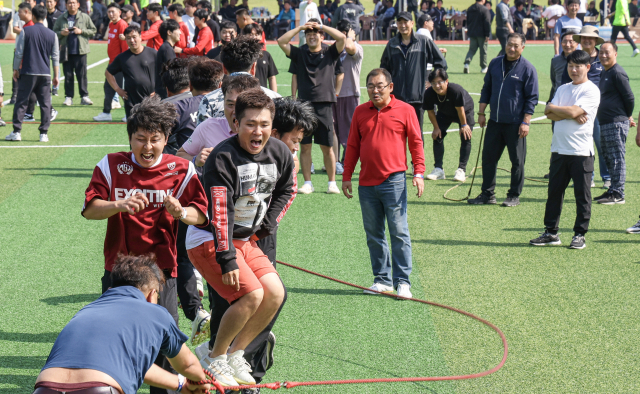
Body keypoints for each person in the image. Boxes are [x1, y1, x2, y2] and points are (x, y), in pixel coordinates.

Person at [82, 96, 209, 394]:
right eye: (140, 139)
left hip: (162, 272)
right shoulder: (112, 164)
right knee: (114, 341)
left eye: (155, 139)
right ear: (130, 138)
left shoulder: (181, 169)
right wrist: (119, 204)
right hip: (119, 272)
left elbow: (201, 215)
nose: (147, 147)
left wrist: (181, 213)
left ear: (166, 139)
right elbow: (90, 210)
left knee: (165, 347)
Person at [186, 89, 293, 388]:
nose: (257, 131)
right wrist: (227, 258)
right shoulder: (223, 156)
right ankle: (213, 356)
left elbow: (287, 188)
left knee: (274, 293)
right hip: (208, 239)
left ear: (272, 125)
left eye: (264, 124)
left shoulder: (280, 152)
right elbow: (220, 213)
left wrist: (265, 227)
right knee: (251, 295)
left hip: (246, 240)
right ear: (235, 123)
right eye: (250, 124)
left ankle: (235, 353)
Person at [33, 255, 211, 394]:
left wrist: (179, 384)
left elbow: (129, 365)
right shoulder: (156, 312)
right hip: (101, 388)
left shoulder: (86, 310)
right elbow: (188, 365)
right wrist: (200, 383)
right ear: (152, 294)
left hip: (45, 387)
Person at [341, 68, 425, 299]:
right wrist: (347, 175)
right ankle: (381, 280)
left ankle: (403, 282)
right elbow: (352, 146)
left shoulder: (406, 110)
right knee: (374, 234)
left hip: (394, 181)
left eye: (379, 86)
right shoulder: (360, 112)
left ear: (390, 87)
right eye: (370, 86)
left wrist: (419, 172)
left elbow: (416, 143)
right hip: (366, 183)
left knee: (399, 232)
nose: (375, 90)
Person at [530, 50, 600, 250]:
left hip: (581, 152)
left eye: (578, 66)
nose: (574, 70)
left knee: (582, 195)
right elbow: (547, 112)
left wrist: (565, 111)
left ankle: (580, 234)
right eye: (571, 66)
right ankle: (551, 232)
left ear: (587, 67)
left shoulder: (591, 90)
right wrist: (570, 112)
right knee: (554, 193)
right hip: (559, 150)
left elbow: (566, 111)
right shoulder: (562, 88)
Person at [469, 33, 539, 207]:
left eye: (516, 45)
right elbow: (487, 88)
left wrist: (526, 122)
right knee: (488, 158)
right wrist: (481, 113)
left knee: (517, 161)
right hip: (495, 121)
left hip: (515, 124)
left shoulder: (528, 69)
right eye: (510, 44)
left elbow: (532, 98)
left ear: (522, 47)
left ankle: (514, 195)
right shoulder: (495, 63)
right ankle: (487, 194)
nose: (512, 48)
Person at [278, 19, 346, 195]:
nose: (312, 35)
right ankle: (308, 182)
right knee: (305, 146)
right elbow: (281, 41)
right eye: (308, 33)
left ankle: (332, 182)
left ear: (322, 36)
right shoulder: (300, 53)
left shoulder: (330, 52)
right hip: (304, 106)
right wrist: (301, 27)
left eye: (315, 33)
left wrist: (321, 26)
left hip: (324, 105)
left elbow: (341, 39)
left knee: (327, 147)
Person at [380, 11, 446, 136]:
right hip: (396, 99)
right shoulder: (392, 44)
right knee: (396, 136)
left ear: (412, 23)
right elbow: (384, 69)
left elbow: (441, 62)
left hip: (417, 99)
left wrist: (431, 82)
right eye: (400, 22)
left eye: (405, 22)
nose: (403, 25)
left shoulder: (424, 41)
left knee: (416, 137)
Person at [6, 4, 59, 143]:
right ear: (45, 16)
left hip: (28, 72)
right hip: (45, 74)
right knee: (45, 104)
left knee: (21, 102)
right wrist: (56, 76)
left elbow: (19, 53)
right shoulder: (52, 34)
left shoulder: (26, 31)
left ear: (33, 16)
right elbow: (55, 57)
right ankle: (44, 133)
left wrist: (15, 69)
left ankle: (17, 131)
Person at [198, 35, 281, 124]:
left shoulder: (209, 100)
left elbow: (201, 135)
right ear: (253, 67)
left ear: (224, 68)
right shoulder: (275, 99)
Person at [594, 42, 635, 205]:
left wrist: (626, 116)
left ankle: (618, 193)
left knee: (616, 157)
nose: (603, 55)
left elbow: (629, 97)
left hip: (616, 122)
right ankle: (612, 189)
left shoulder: (617, 72)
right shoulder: (606, 72)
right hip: (606, 122)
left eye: (607, 52)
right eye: (601, 52)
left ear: (615, 54)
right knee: (609, 157)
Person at [572, 26, 609, 188]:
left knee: (602, 145)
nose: (587, 40)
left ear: (595, 41)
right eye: (584, 38)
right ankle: (588, 177)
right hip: (579, 110)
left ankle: (607, 177)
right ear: (580, 40)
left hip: (599, 111)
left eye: (591, 38)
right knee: (582, 145)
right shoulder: (576, 58)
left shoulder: (604, 58)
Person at [423, 69, 475, 183]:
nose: (437, 86)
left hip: (464, 111)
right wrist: (436, 128)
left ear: (446, 81)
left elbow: (460, 109)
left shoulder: (455, 90)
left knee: (465, 136)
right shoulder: (429, 93)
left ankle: (461, 170)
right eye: (433, 83)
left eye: (440, 82)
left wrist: (464, 124)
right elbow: (430, 112)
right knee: (437, 136)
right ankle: (438, 169)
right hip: (445, 112)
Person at [106, 25, 157, 119]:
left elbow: (163, 72)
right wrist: (118, 90)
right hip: (131, 102)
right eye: (128, 38)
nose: (132, 40)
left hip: (152, 100)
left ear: (140, 37)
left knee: (152, 130)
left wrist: (158, 90)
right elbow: (108, 73)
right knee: (134, 131)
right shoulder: (122, 58)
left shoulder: (153, 53)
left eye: (134, 37)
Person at [53, 0, 96, 106]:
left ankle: (84, 96)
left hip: (81, 51)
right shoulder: (61, 18)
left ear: (78, 5)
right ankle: (68, 97)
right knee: (68, 76)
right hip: (66, 51)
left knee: (82, 75)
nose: (72, 5)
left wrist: (81, 31)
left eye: (73, 3)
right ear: (66, 5)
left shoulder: (85, 17)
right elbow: (54, 33)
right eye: (69, 3)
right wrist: (61, 33)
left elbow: (93, 30)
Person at [333, 19, 362, 169]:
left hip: (350, 94)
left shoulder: (356, 47)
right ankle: (335, 162)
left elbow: (349, 46)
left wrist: (349, 36)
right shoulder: (335, 48)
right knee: (333, 130)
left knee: (350, 132)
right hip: (334, 95)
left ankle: (346, 162)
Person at [93, 2, 128, 122]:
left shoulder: (122, 25)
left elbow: (125, 46)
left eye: (113, 11)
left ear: (119, 12)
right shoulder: (111, 24)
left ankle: (130, 113)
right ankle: (106, 112)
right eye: (109, 12)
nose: (111, 14)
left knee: (121, 89)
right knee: (108, 87)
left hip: (119, 64)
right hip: (112, 63)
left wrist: (123, 64)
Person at [243, 23, 278, 92]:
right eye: (251, 35)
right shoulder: (240, 54)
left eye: (257, 35)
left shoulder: (266, 55)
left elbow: (272, 78)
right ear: (244, 36)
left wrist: (275, 97)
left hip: (262, 96)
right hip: (244, 95)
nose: (254, 37)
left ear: (261, 37)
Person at [155, 19, 180, 99]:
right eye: (177, 30)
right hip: (166, 93)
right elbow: (172, 72)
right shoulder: (167, 49)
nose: (180, 33)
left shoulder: (167, 48)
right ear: (169, 32)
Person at [465, 0, 492, 74]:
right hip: (482, 33)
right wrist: (487, 34)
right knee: (483, 51)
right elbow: (487, 22)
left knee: (471, 50)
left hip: (472, 32)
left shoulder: (470, 8)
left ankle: (466, 63)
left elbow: (468, 21)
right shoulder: (484, 9)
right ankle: (483, 67)